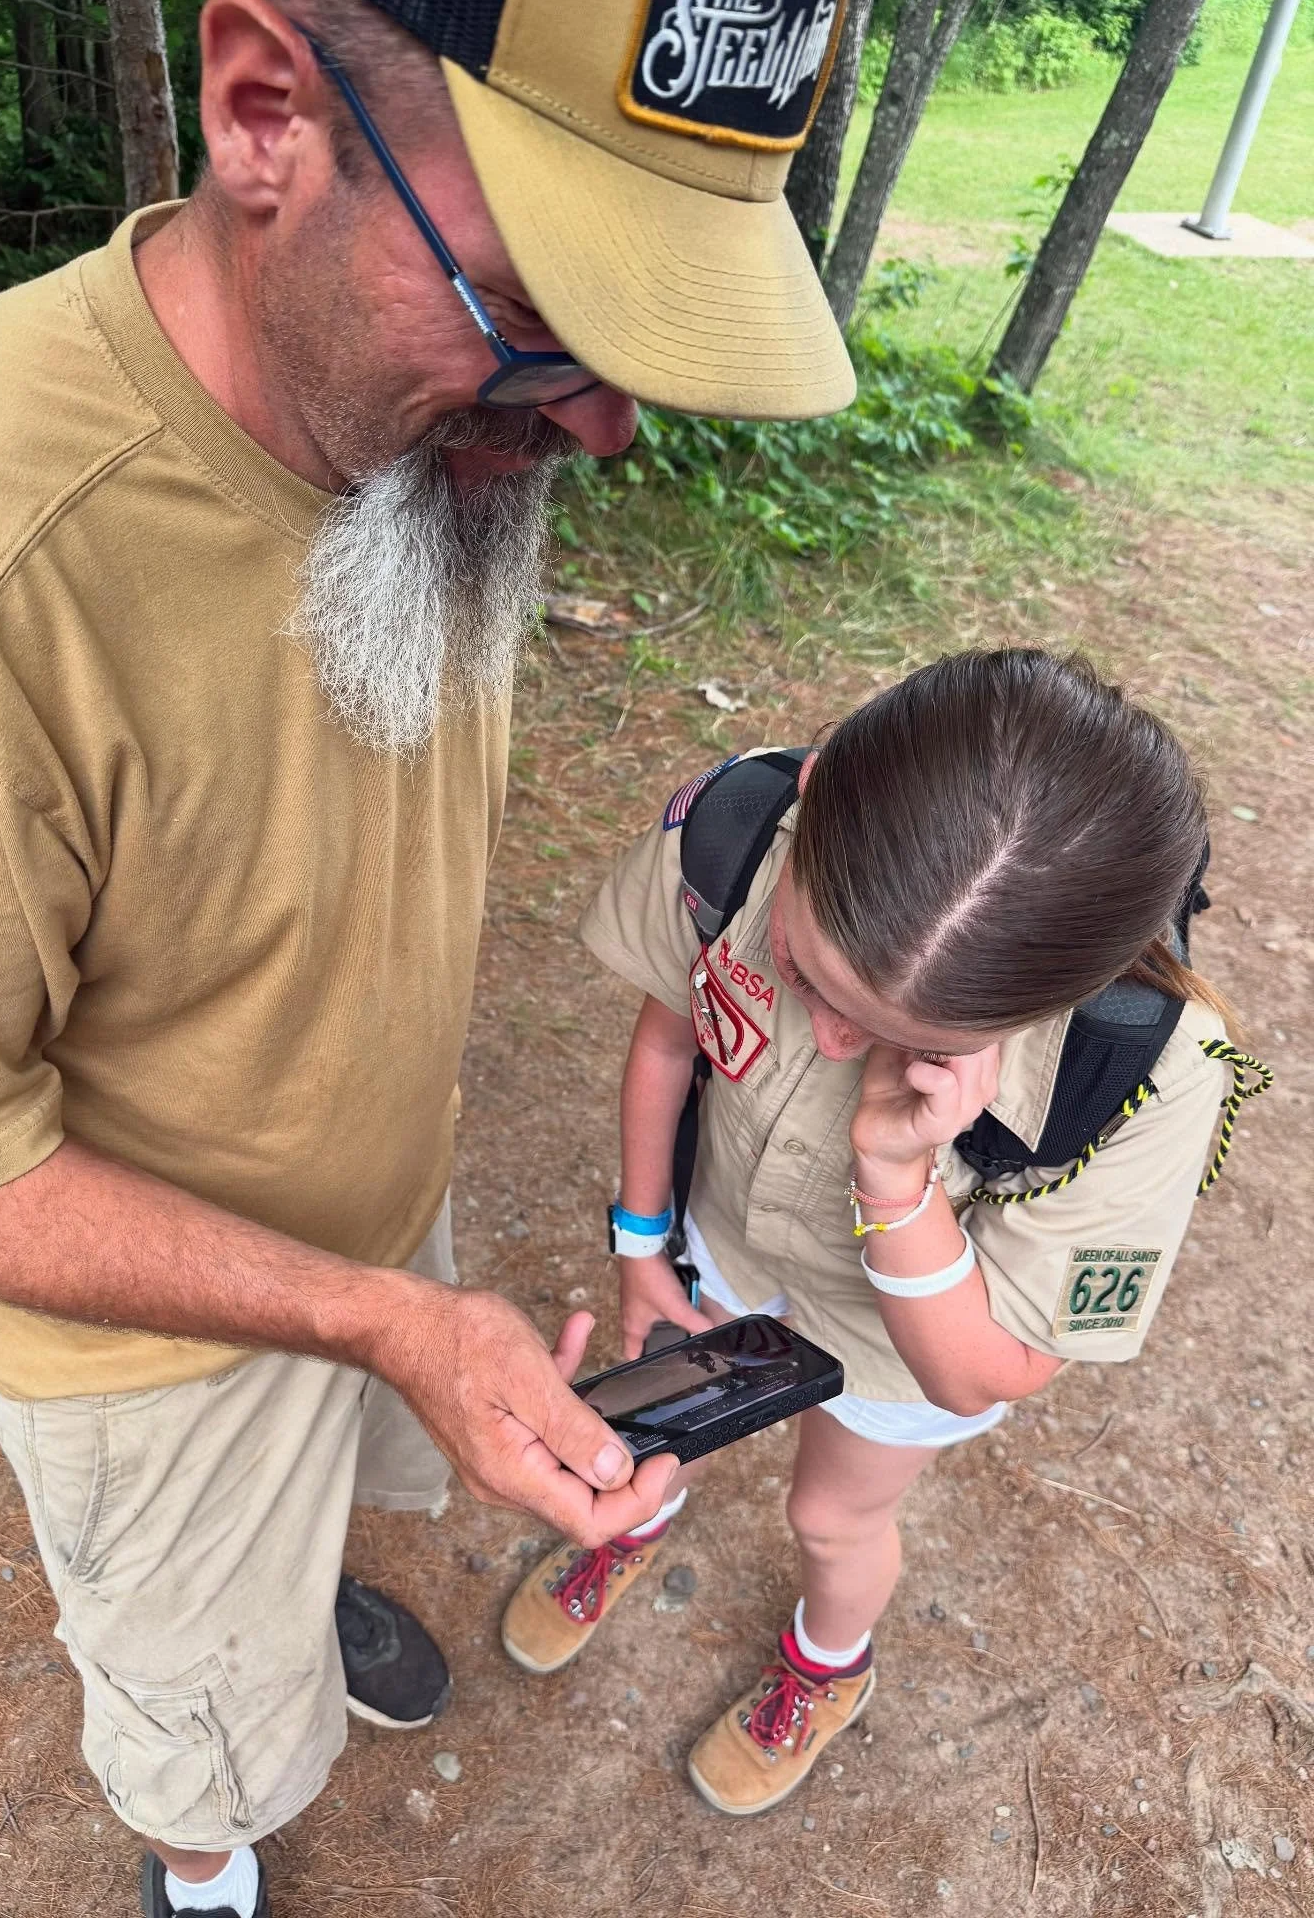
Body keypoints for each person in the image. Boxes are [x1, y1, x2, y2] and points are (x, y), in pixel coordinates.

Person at [0, 0, 858, 1911]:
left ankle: (291, 1586)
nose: (605, 424)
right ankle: (203, 1868)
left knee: (314, 1510)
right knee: (201, 1728)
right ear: (265, 113)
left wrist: (388, 1306)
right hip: (145, 1354)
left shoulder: (420, 450)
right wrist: (381, 1319)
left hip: (373, 1231)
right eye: (544, 316)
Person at [501, 647, 1267, 1816]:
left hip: (907, 1335)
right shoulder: (737, 835)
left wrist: (897, 1174)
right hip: (728, 1232)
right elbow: (668, 1041)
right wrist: (641, 1242)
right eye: (803, 971)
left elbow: (985, 1372)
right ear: (813, 794)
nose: (835, 1042)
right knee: (669, 1412)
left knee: (833, 1515)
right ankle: (639, 1510)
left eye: (918, 1038)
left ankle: (828, 1664)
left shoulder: (1151, 1075)